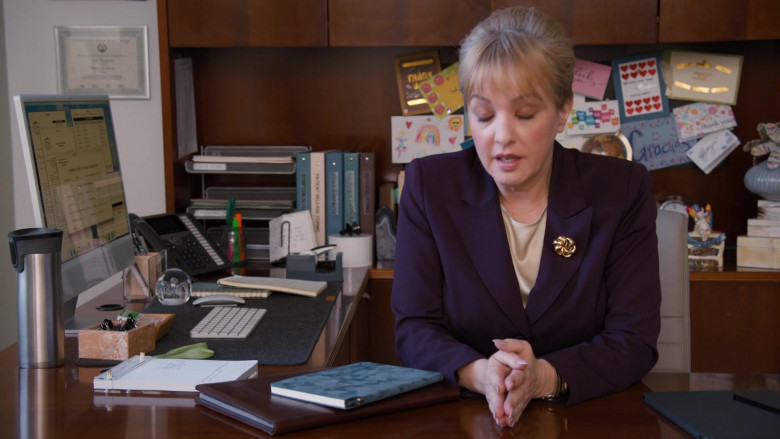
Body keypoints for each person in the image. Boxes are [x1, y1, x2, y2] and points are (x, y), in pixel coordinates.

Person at [391, 6, 661, 428]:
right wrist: (481, 375)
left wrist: (542, 379)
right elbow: (415, 328)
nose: (502, 136)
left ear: (563, 111)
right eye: (483, 115)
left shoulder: (621, 190)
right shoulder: (430, 187)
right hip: (465, 420)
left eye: (525, 114)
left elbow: (634, 340)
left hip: (590, 419)